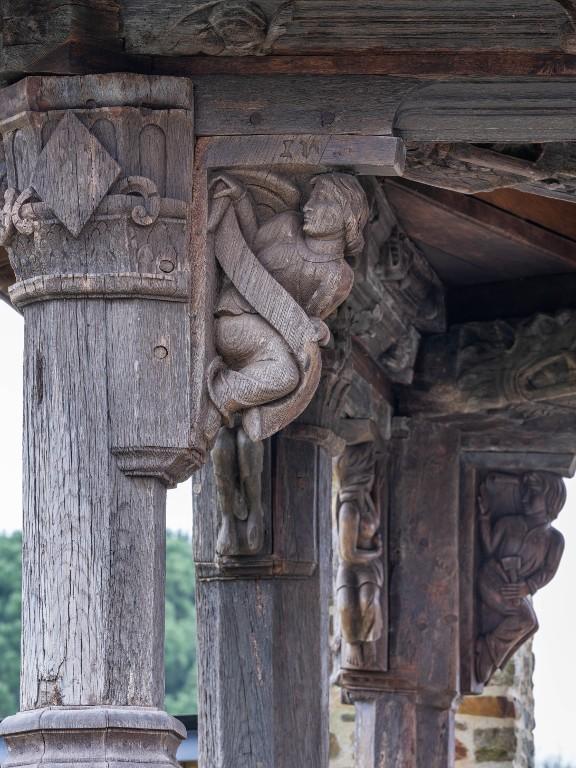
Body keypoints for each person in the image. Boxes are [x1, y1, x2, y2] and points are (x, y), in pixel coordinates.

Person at [206, 170, 369, 440]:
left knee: (293, 373)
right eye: (311, 198)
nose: (309, 206)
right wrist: (241, 198)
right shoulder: (287, 225)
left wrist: (320, 330)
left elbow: (308, 319)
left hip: (274, 338)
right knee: (284, 374)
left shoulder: (339, 277)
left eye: (322, 199)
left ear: (347, 215)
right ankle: (221, 398)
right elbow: (249, 243)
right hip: (235, 318)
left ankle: (234, 402)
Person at [476, 471, 566, 684]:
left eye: (532, 494)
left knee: (532, 624)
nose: (524, 499)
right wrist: (485, 517)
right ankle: (487, 651)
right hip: (492, 577)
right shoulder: (508, 523)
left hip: (514, 587)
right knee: (528, 620)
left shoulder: (554, 540)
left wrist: (528, 586)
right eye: (524, 493)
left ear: (551, 498)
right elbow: (489, 548)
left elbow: (548, 571)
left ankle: (490, 653)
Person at [335, 443, 384, 668]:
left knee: (369, 600)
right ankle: (353, 642)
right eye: (368, 474)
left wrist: (378, 489)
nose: (371, 479)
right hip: (351, 565)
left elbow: (377, 516)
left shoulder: (366, 501)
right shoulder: (349, 509)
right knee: (346, 605)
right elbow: (348, 554)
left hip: (369, 565)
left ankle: (370, 639)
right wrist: (376, 551)